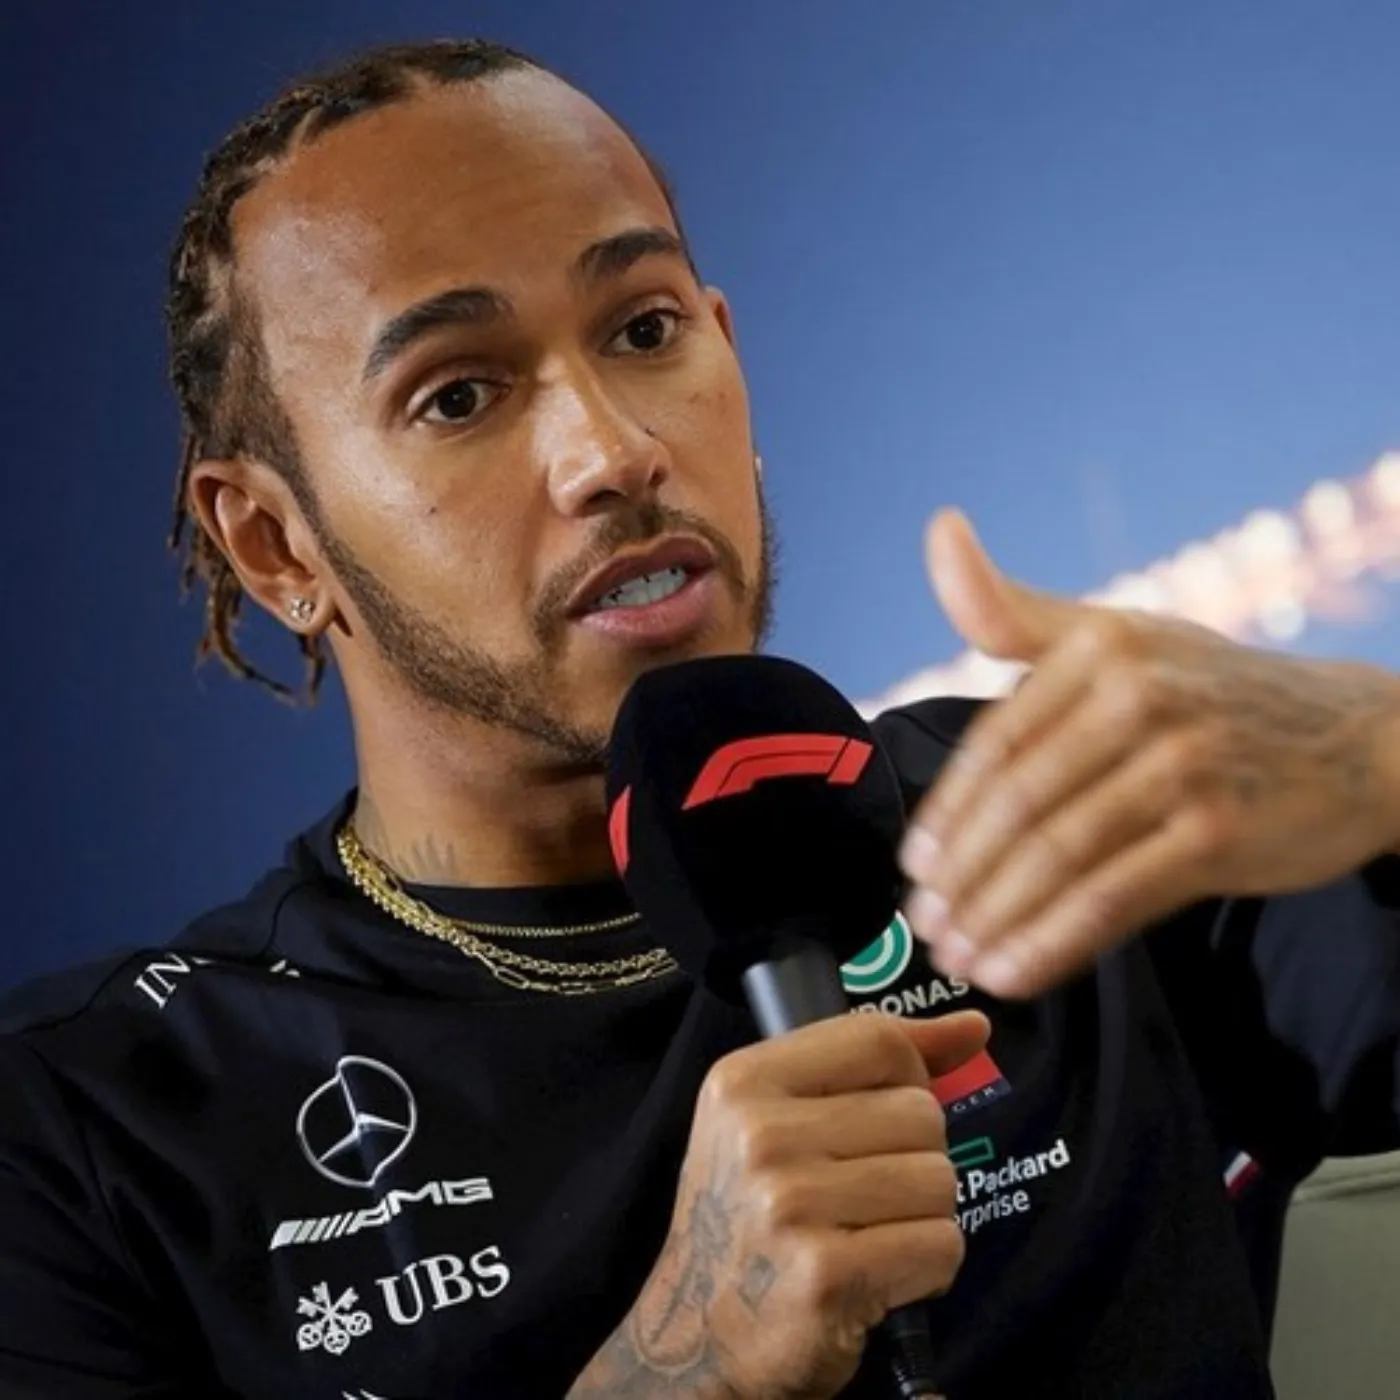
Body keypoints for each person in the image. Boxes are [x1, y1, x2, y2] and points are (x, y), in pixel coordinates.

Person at [2, 36, 1398, 1400]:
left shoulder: (1092, 812)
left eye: (645, 329)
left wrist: (1374, 753)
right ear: (274, 545)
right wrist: (687, 1369)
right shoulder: (86, 1132)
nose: (614, 452)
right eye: (459, 394)